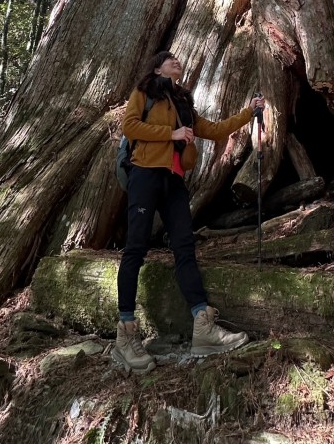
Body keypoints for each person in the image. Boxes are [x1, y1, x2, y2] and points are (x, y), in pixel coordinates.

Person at [114, 50, 266, 374]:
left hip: (174, 181)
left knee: (185, 246)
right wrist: (170, 135)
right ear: (156, 67)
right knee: (135, 248)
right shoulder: (145, 93)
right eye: (169, 59)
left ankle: (203, 327)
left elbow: (215, 130)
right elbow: (129, 126)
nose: (176, 61)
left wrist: (249, 113)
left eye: (177, 60)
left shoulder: (183, 103)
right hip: (145, 174)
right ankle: (125, 334)